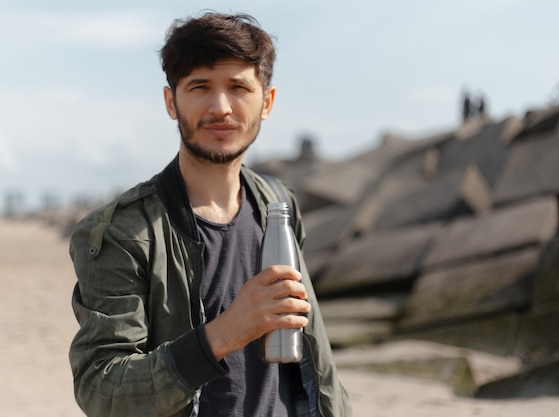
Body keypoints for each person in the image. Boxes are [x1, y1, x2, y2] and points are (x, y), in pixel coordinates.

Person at [68, 12, 351, 417]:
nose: (220, 107)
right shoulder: (124, 233)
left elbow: (314, 362)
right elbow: (101, 388)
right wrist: (223, 334)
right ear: (171, 102)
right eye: (199, 87)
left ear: (266, 102)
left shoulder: (278, 204)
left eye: (238, 87)